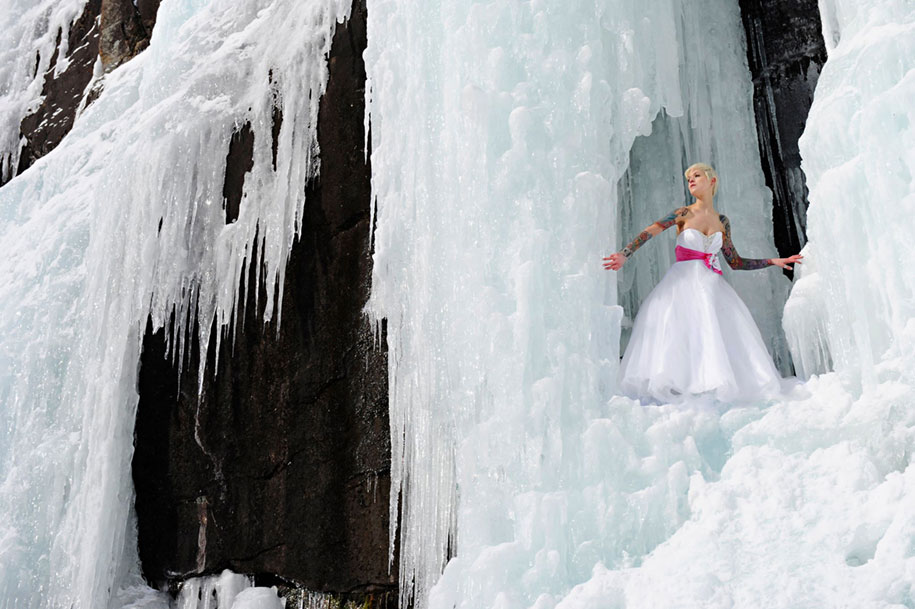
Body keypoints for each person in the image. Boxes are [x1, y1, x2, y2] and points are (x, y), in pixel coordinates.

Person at [602, 163, 802, 403]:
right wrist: (625, 253)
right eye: (688, 178)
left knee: (713, 332)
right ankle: (680, 387)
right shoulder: (682, 214)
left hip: (712, 287)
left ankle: (716, 387)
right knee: (678, 332)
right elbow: (650, 231)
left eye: (696, 176)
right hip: (681, 284)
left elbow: (735, 262)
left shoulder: (723, 222)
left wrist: (773, 261)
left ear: (712, 180)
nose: (691, 181)